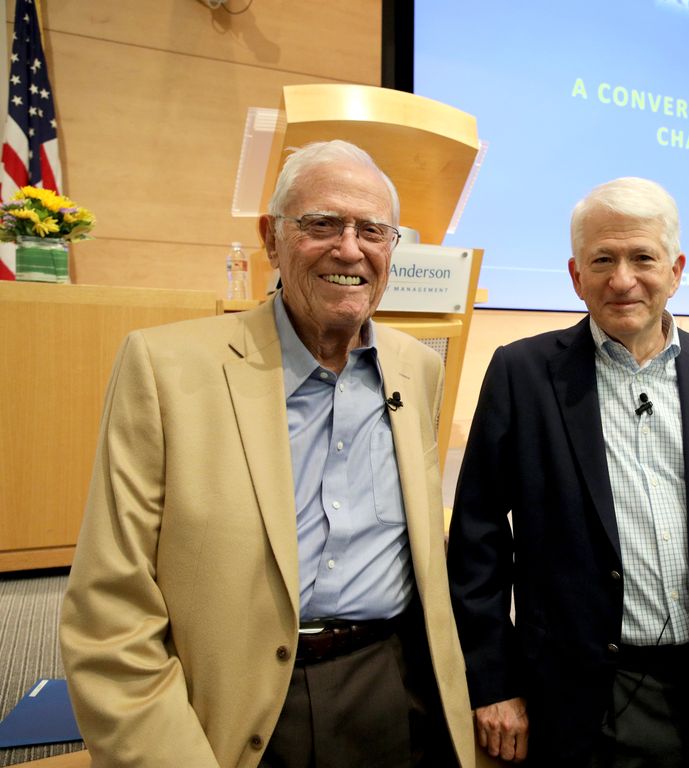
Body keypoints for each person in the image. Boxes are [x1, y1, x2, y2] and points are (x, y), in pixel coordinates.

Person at [60, 140, 488, 768]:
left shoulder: (416, 370)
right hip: (246, 707)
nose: (349, 249)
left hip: (395, 691)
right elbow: (111, 612)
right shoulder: (165, 368)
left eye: (372, 230)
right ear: (271, 237)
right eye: (321, 224)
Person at [446, 177, 689, 767]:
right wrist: (492, 682)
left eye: (643, 257)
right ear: (575, 275)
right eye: (603, 260)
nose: (623, 280)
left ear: (676, 270)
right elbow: (477, 547)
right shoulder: (521, 375)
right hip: (582, 699)